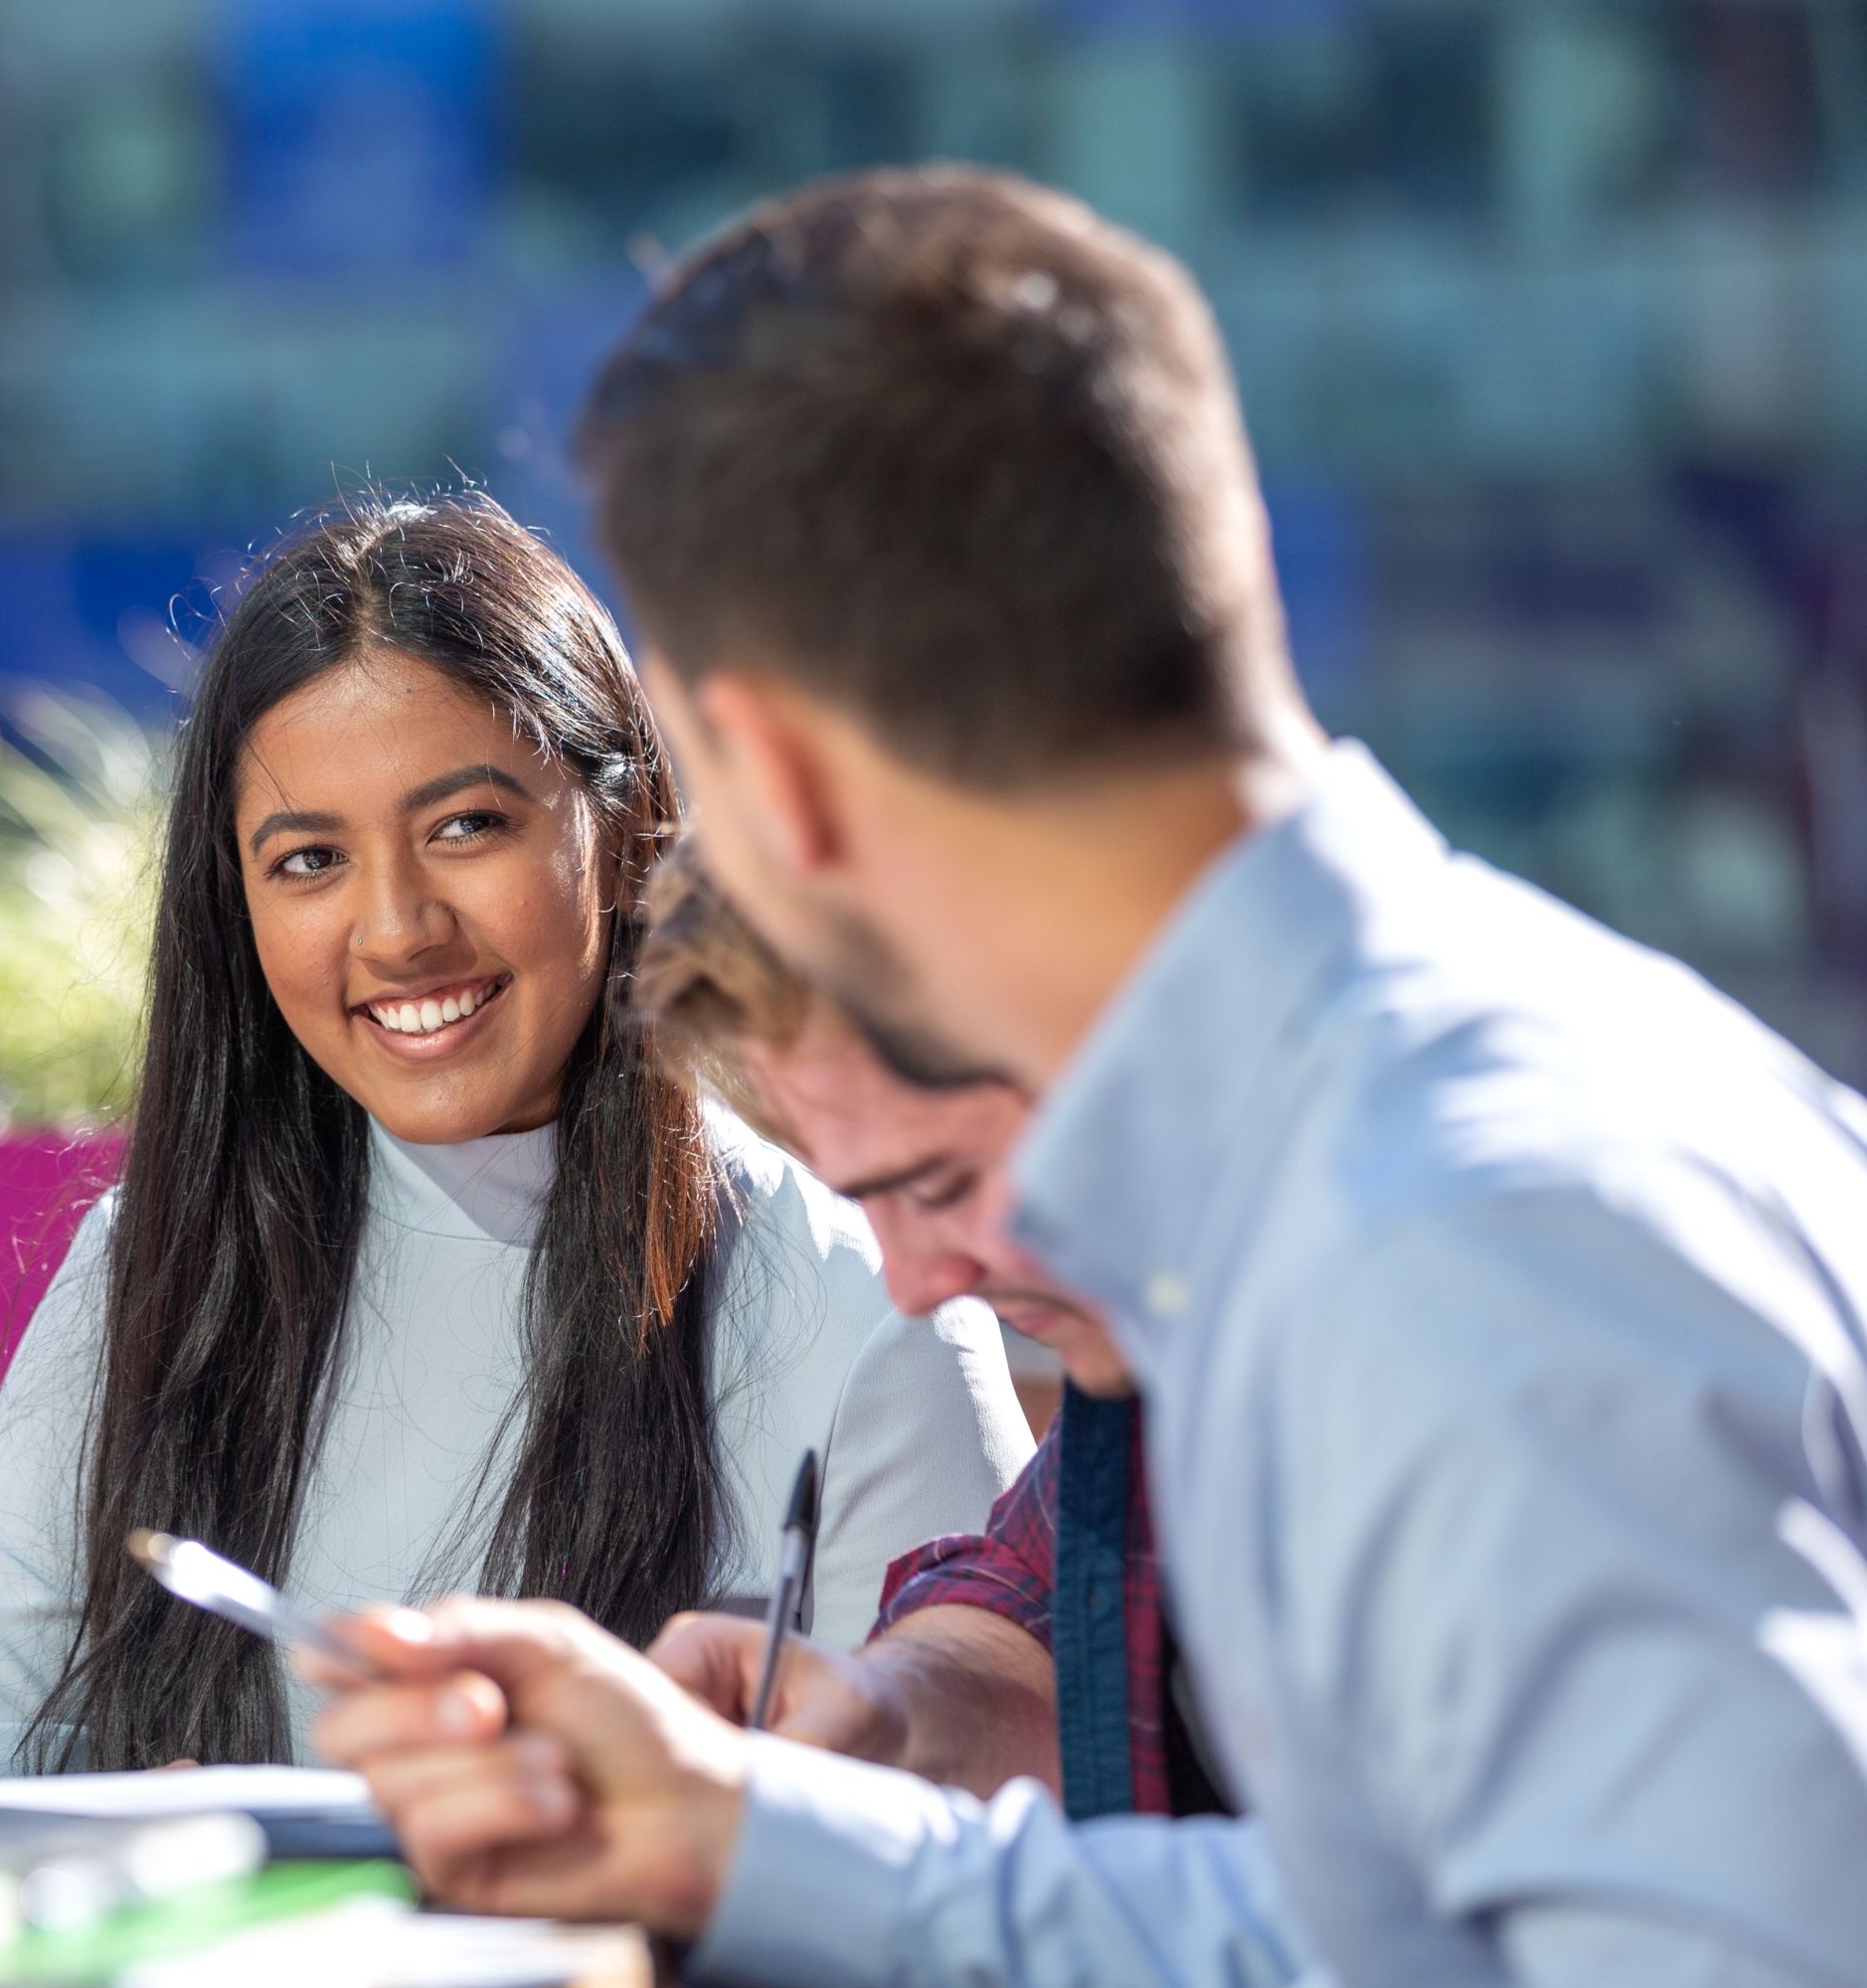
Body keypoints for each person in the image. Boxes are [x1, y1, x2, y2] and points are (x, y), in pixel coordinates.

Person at [309, 167, 1867, 1985]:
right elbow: (1409, 1935)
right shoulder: (1454, 1121)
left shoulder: (1453, 1238)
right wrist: (739, 1837)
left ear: (777, 776)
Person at [0, 495, 1030, 1794]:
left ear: (620, 834)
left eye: (464, 828)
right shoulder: (150, 1264)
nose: (395, 930)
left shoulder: (865, 1319)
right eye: (309, 861)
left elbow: (950, 1876)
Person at [635, 841, 1226, 1820]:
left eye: (942, 1183)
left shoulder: (1432, 1338)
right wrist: (881, 1704)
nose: (915, 1285)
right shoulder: (1152, 1361)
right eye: (862, 1197)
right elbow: (1036, 1606)